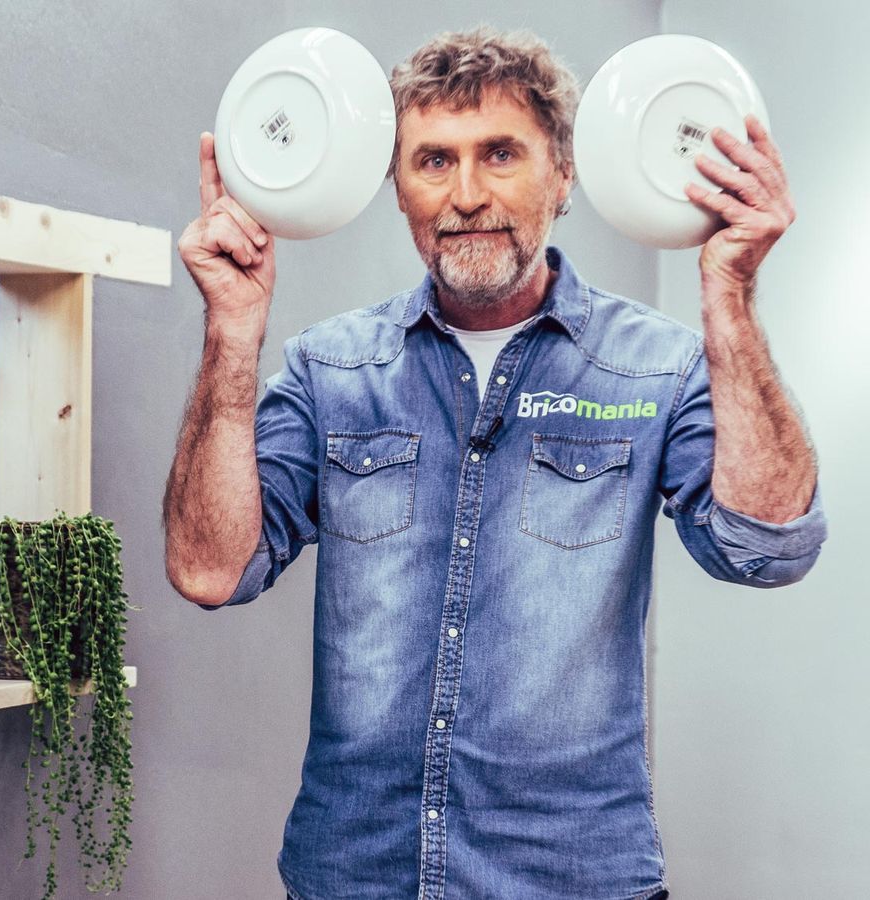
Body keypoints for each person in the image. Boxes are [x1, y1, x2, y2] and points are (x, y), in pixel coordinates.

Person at [161, 26, 826, 900]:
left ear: (564, 172)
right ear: (396, 187)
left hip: (573, 879)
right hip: (356, 876)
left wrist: (730, 297)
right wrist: (232, 331)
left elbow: (767, 548)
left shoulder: (660, 368)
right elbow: (210, 569)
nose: (466, 194)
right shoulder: (332, 371)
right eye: (433, 161)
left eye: (500, 153)